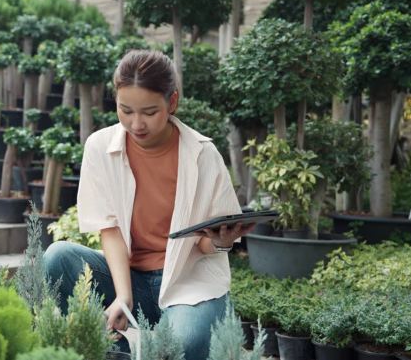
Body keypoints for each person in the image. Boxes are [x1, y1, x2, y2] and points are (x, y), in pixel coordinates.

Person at [43, 50, 254, 360]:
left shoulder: (202, 154)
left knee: (179, 345)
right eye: (125, 110)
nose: (136, 123)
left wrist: (221, 243)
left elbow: (209, 242)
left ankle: (144, 350)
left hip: (189, 285)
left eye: (149, 112)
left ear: (172, 103)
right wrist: (123, 296)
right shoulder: (100, 147)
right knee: (57, 258)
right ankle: (111, 348)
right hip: (130, 279)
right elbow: (109, 229)